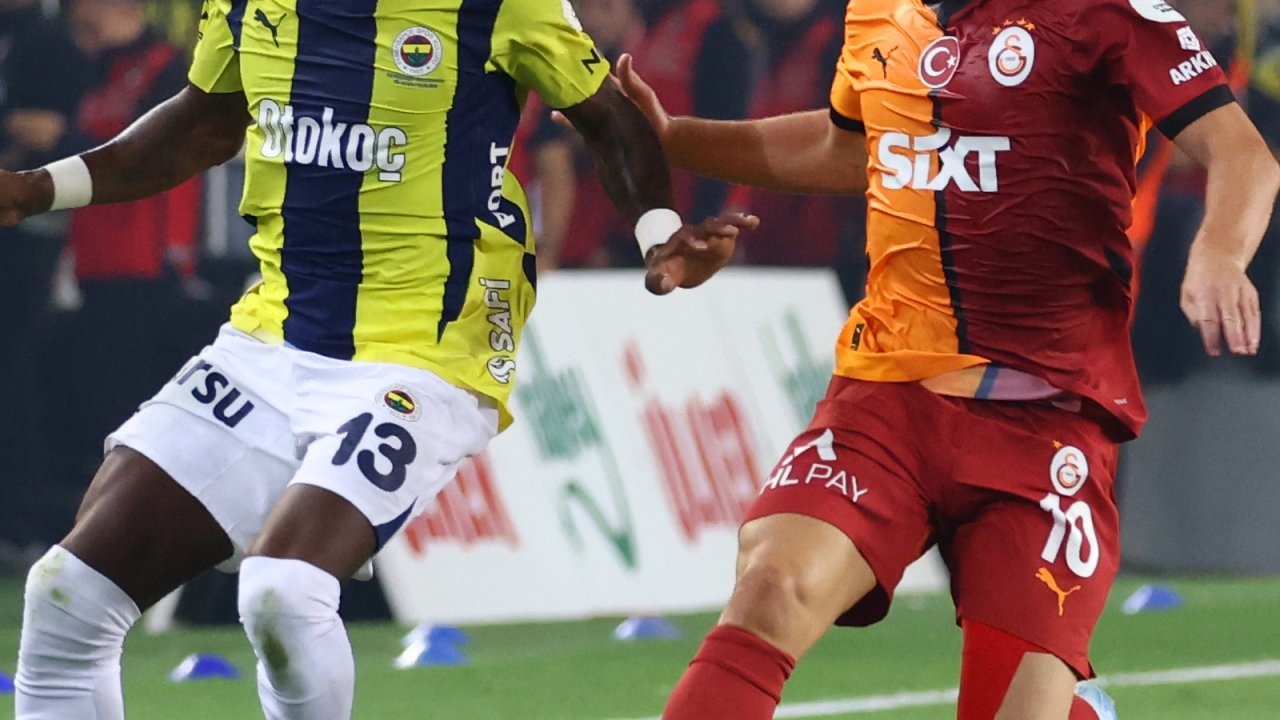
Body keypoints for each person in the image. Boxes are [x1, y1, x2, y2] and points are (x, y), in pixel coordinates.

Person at [0, 1, 755, 719]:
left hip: (429, 350)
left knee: (284, 593)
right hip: (273, 338)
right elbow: (204, 122)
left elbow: (608, 116)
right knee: (68, 595)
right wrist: (39, 189)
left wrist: (659, 232)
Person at [601, 0, 1280, 715]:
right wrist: (674, 138)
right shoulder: (878, 11)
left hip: (1044, 421)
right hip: (886, 397)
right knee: (772, 588)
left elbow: (1242, 153)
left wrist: (1219, 252)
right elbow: (850, 148)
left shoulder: (1101, 11)